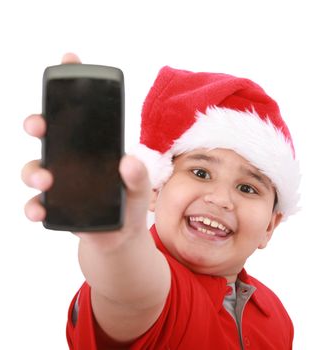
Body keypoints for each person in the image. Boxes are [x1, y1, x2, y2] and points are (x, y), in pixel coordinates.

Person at [22, 53, 300, 349]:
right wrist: (116, 243)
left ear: (270, 225)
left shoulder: (275, 314)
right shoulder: (163, 296)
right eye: (201, 172)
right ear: (156, 189)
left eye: (247, 188)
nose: (220, 199)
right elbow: (130, 292)